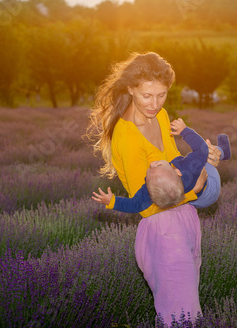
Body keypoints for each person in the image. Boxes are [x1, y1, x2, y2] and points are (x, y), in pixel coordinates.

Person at [86, 52, 222, 327]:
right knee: (178, 316)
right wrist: (194, 187)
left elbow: (173, 161)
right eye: (147, 95)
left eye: (162, 95)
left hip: (185, 217)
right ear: (131, 88)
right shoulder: (127, 137)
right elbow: (147, 203)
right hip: (162, 228)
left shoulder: (160, 115)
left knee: (188, 308)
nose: (155, 103)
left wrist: (204, 160)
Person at [91, 118, 230, 213]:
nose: (151, 164)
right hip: (210, 186)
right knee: (205, 154)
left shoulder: (150, 190)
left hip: (199, 201)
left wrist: (112, 201)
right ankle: (224, 149)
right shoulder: (188, 168)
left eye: (149, 170)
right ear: (177, 172)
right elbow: (201, 149)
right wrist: (184, 131)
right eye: (158, 165)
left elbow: (135, 205)